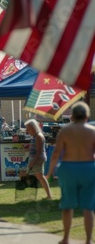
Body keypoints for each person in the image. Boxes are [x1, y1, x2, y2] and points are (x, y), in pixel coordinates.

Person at [46, 102, 95, 244]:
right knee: (88, 207)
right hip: (89, 169)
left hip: (68, 169)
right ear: (87, 116)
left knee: (67, 204)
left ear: (72, 116)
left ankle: (66, 238)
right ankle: (88, 240)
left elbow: (56, 154)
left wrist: (49, 172)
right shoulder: (92, 131)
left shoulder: (65, 131)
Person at [20, 119, 52, 199]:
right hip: (35, 158)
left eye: (28, 128)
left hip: (37, 159)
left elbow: (39, 151)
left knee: (38, 176)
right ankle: (48, 195)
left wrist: (33, 162)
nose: (27, 130)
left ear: (33, 127)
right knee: (38, 176)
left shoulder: (38, 136)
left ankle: (48, 195)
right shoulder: (35, 136)